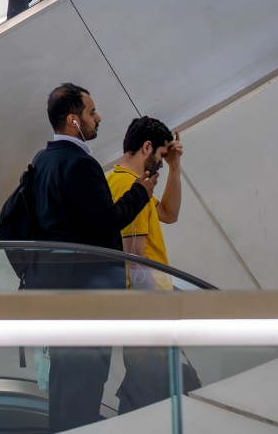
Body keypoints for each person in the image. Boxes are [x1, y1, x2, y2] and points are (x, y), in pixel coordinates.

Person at [27, 83, 157, 432]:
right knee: (85, 383)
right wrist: (139, 193)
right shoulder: (79, 163)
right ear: (74, 120)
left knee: (65, 383)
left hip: (57, 288)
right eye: (91, 111)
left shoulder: (43, 160)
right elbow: (106, 222)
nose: (98, 117)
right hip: (88, 291)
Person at [106, 117, 198, 413]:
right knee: (151, 394)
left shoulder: (129, 183)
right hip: (146, 311)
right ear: (147, 147)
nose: (161, 162)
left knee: (151, 390)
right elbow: (134, 258)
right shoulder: (126, 184)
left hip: (143, 310)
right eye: (160, 155)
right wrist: (154, 317)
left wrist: (175, 167)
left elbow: (169, 213)